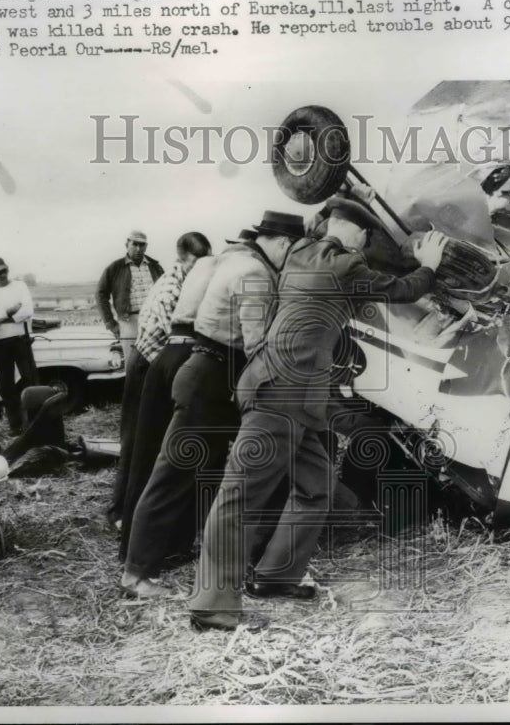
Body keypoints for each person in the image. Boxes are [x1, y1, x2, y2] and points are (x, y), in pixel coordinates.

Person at [187, 201, 449, 630]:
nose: (366, 245)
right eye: (367, 238)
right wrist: (430, 266)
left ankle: (275, 577)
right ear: (358, 235)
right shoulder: (343, 266)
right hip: (282, 396)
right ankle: (211, 605)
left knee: (316, 488)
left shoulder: (300, 254)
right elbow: (402, 290)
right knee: (240, 497)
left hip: (292, 395)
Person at [121, 211, 305, 598]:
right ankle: (136, 575)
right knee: (172, 475)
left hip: (204, 372)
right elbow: (255, 344)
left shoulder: (230, 259)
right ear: (283, 244)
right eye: (292, 251)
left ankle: (242, 559)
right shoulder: (255, 273)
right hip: (213, 378)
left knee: (198, 472)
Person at [109, 231, 213, 529]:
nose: (201, 268)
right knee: (137, 441)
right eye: (197, 261)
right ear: (182, 257)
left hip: (158, 365)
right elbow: (179, 337)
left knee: (148, 442)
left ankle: (132, 510)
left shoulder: (187, 281)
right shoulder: (171, 288)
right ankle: (122, 513)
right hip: (146, 366)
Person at [0, 257, 37, 434]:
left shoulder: (20, 286)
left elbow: (28, 310)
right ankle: (15, 426)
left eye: (4, 270)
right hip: (0, 343)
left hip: (21, 339)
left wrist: (2, 317)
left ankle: (35, 423)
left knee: (30, 380)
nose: (2, 275)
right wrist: (10, 311)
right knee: (5, 387)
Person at [97, 230, 164, 360]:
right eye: (135, 244)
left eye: (142, 245)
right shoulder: (115, 268)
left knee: (157, 362)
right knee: (132, 363)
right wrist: (111, 323)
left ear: (146, 246)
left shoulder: (155, 267)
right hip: (129, 322)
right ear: (126, 245)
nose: (138, 249)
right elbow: (100, 295)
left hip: (155, 321)